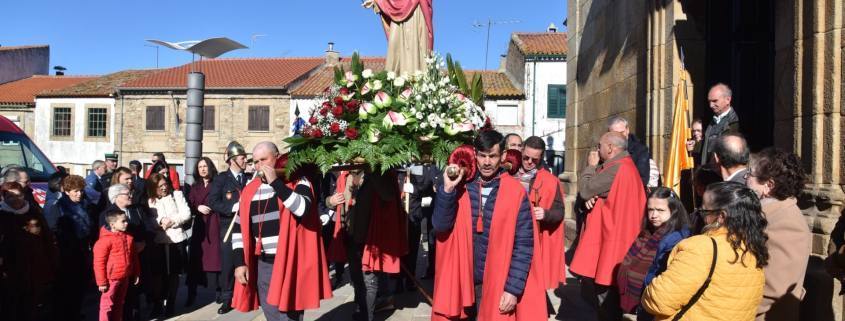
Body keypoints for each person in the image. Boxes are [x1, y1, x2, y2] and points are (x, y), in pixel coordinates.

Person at [431, 131, 546, 321]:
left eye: (492, 156)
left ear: (502, 156)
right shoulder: (461, 187)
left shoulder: (515, 192)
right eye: (482, 155)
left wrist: (513, 289)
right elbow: (440, 226)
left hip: (497, 283)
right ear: (475, 154)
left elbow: (524, 245)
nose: (486, 162)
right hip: (461, 281)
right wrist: (448, 190)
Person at [230, 142, 332, 321]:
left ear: (277, 157)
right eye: (255, 161)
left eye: (264, 159)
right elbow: (238, 229)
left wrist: (276, 183)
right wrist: (239, 262)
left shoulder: (299, 181)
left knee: (289, 316)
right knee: (272, 315)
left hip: (290, 262)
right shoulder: (249, 190)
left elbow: (302, 208)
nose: (259, 165)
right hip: (263, 263)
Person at [642, 182, 768, 320]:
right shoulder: (753, 249)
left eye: (703, 211)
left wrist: (652, 286)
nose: (700, 216)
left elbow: (658, 301)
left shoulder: (701, 247)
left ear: (721, 216)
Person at [570, 131, 646, 320]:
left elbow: (587, 189)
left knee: (606, 306)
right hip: (615, 242)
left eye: (600, 146)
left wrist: (590, 166)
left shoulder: (617, 167)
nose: (597, 150)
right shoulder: (621, 165)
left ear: (610, 148)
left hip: (612, 246)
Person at [326, 165, 408, 321]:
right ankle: (362, 308)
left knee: (369, 281)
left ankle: (367, 315)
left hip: (371, 238)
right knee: (357, 278)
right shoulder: (344, 176)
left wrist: (372, 173)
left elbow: (388, 195)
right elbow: (329, 199)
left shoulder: (380, 173)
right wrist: (331, 200)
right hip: (350, 235)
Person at [746, 148, 811, 321]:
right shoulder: (765, 213)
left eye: (750, 174)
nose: (746, 179)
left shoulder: (787, 223)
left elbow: (774, 288)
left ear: (769, 185)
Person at [616, 187, 691, 321]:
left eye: (660, 210)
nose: (654, 215)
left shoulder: (675, 239)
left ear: (674, 211)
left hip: (653, 307)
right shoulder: (647, 233)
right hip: (636, 305)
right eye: (650, 209)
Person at [0, 182, 56, 321]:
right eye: (10, 196)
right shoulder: (2, 216)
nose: (15, 199)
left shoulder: (34, 213)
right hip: (9, 273)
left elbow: (47, 240)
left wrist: (52, 264)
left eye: (18, 195)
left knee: (31, 308)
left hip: (34, 270)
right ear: (4, 197)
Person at [517, 136, 566, 291]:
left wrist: (545, 214)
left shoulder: (551, 181)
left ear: (541, 158)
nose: (529, 162)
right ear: (521, 150)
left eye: (535, 160)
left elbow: (560, 212)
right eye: (526, 157)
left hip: (532, 239)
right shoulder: (508, 173)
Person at [207, 141, 251, 314]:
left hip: (247, 226)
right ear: (233, 160)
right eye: (242, 158)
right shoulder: (221, 179)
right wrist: (232, 207)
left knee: (247, 260)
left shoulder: (248, 179)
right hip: (229, 227)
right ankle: (227, 298)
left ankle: (249, 293)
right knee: (228, 263)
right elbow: (213, 202)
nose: (245, 160)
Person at [100, 183, 147, 321]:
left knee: (126, 299)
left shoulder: (136, 210)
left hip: (130, 265)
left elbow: (144, 229)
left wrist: (143, 242)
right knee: (109, 303)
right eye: (127, 194)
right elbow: (100, 257)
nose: (131, 196)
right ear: (117, 197)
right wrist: (101, 280)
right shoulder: (107, 214)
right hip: (113, 271)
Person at [146, 173, 191, 318]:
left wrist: (171, 221)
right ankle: (158, 303)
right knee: (158, 275)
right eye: (160, 186)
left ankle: (171, 302)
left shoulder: (176, 195)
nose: (164, 188)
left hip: (176, 240)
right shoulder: (150, 201)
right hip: (159, 241)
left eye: (165, 184)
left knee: (173, 274)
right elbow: (150, 218)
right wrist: (160, 222)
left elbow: (186, 213)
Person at [54, 175, 94, 321]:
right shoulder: (60, 206)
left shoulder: (84, 205)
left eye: (81, 191)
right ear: (67, 191)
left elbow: (89, 226)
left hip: (82, 249)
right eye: (76, 191)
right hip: (67, 252)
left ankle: (76, 312)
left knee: (80, 286)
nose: (79, 194)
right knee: (67, 287)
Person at [185, 157, 223, 307]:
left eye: (205, 166)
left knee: (216, 258)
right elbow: (190, 204)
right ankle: (191, 293)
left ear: (210, 167)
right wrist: (197, 208)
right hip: (200, 227)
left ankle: (220, 291)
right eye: (200, 167)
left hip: (215, 224)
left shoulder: (218, 183)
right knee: (196, 260)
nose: (202, 169)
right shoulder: (195, 186)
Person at [93, 210, 140, 321]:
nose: (126, 223)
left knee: (119, 303)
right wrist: (102, 282)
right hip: (111, 279)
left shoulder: (128, 237)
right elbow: (99, 262)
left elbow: (134, 257)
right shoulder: (104, 241)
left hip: (125, 277)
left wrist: (136, 272)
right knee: (107, 306)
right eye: (123, 221)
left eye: (126, 221)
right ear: (112, 224)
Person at [700, 83, 740, 165]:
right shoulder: (710, 121)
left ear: (728, 100)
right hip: (709, 172)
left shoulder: (735, 122)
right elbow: (708, 145)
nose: (711, 105)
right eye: (709, 101)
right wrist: (695, 145)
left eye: (715, 101)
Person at [607, 116, 653, 187]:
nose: (619, 136)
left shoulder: (640, 150)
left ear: (627, 130)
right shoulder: (605, 149)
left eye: (622, 132)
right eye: (615, 134)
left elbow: (642, 179)